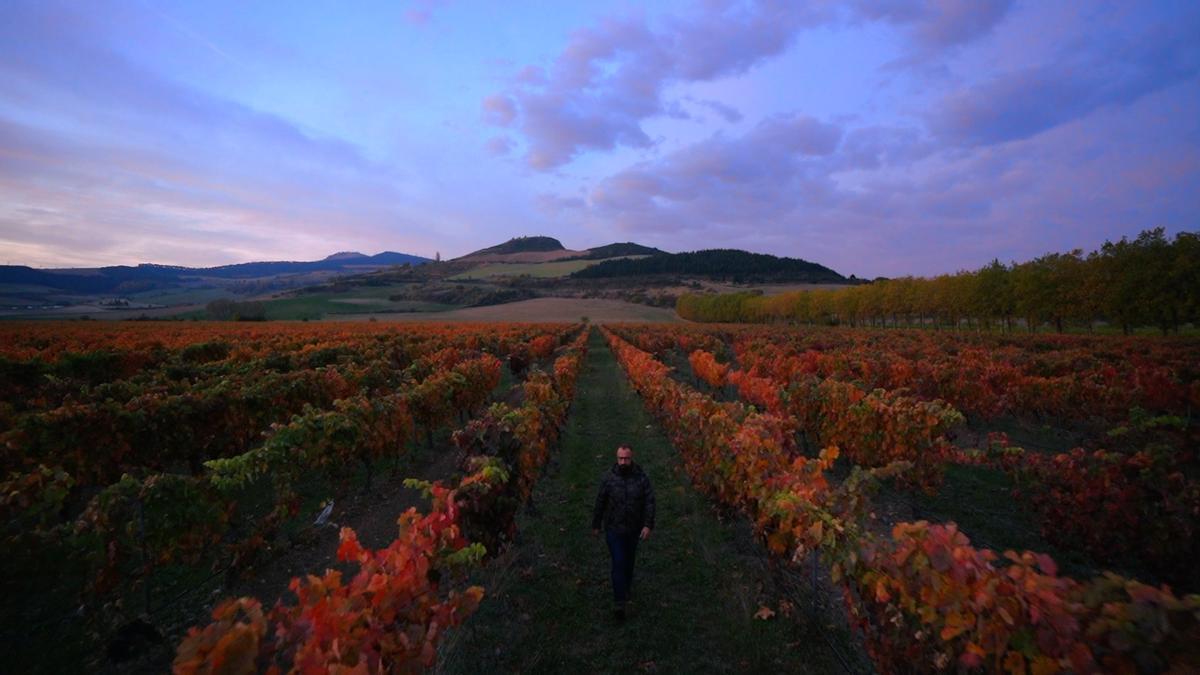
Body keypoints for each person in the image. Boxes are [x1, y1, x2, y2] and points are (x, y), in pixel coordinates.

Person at [591, 444, 655, 620]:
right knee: (618, 562)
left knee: (628, 562)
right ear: (616, 458)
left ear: (631, 458)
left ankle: (625, 587)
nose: (623, 462)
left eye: (626, 458)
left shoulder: (641, 478)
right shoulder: (609, 479)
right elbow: (600, 501)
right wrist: (596, 524)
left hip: (633, 529)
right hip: (614, 529)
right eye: (620, 458)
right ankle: (619, 602)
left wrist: (648, 525)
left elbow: (650, 502)